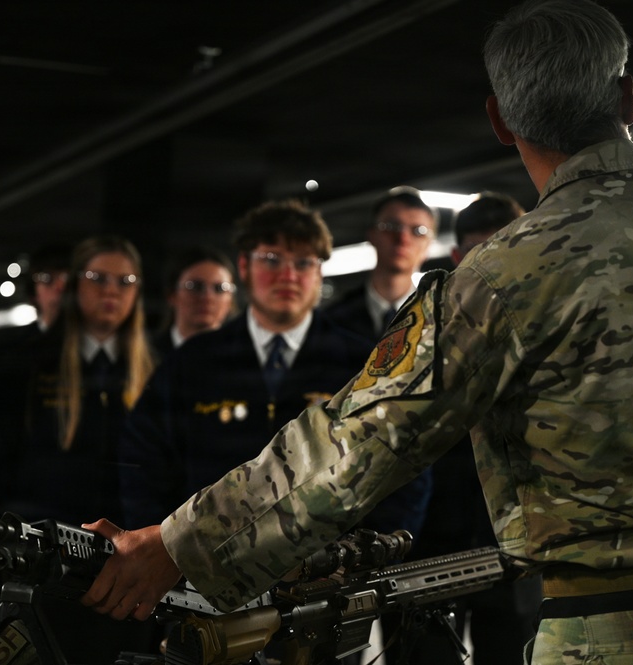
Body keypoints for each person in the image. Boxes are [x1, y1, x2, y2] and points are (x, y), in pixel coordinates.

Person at [81, 1, 633, 662]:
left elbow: (356, 446)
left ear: (500, 119)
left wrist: (172, 547)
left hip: (623, 633)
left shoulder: (504, 274)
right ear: (626, 97)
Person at [119, 199, 431, 538]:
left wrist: (367, 555)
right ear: (244, 265)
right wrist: (165, 549)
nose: (288, 275)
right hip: (204, 565)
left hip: (326, 569)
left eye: (303, 262)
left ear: (318, 272)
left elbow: (403, 464)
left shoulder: (362, 364)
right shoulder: (193, 361)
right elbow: (143, 463)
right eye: (271, 259)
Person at [0, 235, 155, 605]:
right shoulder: (22, 359)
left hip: (119, 554)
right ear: (74, 284)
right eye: (97, 278)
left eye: (125, 282)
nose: (112, 291)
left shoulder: (156, 369)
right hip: (36, 545)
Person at [405, 192, 540, 665]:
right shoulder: (424, 327)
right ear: (458, 256)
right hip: (430, 542)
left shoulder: (548, 329)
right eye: (480, 254)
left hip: (516, 544)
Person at [326, 186, 438, 340]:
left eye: (418, 231)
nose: (403, 239)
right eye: (391, 226)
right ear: (372, 235)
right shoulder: (331, 322)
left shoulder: (439, 322)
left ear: (428, 245)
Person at [150, 245, 237, 359]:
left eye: (220, 288)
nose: (208, 297)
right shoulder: (145, 355)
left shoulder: (247, 359)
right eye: (195, 287)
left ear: (230, 299)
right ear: (172, 295)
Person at [0, 241, 72, 351]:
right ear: (33, 293)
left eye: (68, 278)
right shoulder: (14, 354)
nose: (60, 287)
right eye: (47, 278)